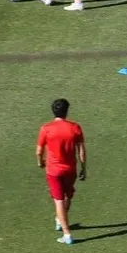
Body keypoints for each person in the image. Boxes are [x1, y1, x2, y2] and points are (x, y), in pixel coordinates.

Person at [35, 98, 86, 245]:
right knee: (67, 196)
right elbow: (81, 151)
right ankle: (59, 220)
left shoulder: (46, 128)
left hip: (53, 170)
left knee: (58, 200)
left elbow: (38, 151)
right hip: (70, 169)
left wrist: (40, 163)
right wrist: (83, 168)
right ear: (66, 111)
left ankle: (67, 234)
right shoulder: (75, 127)